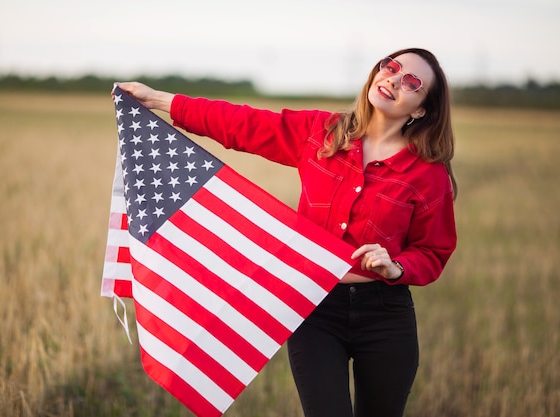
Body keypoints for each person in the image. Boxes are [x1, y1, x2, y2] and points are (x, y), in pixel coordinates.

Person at [116, 47, 457, 417]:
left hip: (385, 318)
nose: (393, 79)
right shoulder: (321, 133)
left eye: (411, 82)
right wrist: (161, 100)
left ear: (420, 109)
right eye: (390, 67)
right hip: (313, 310)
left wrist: (397, 267)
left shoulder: (427, 175)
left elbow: (433, 251)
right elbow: (241, 124)